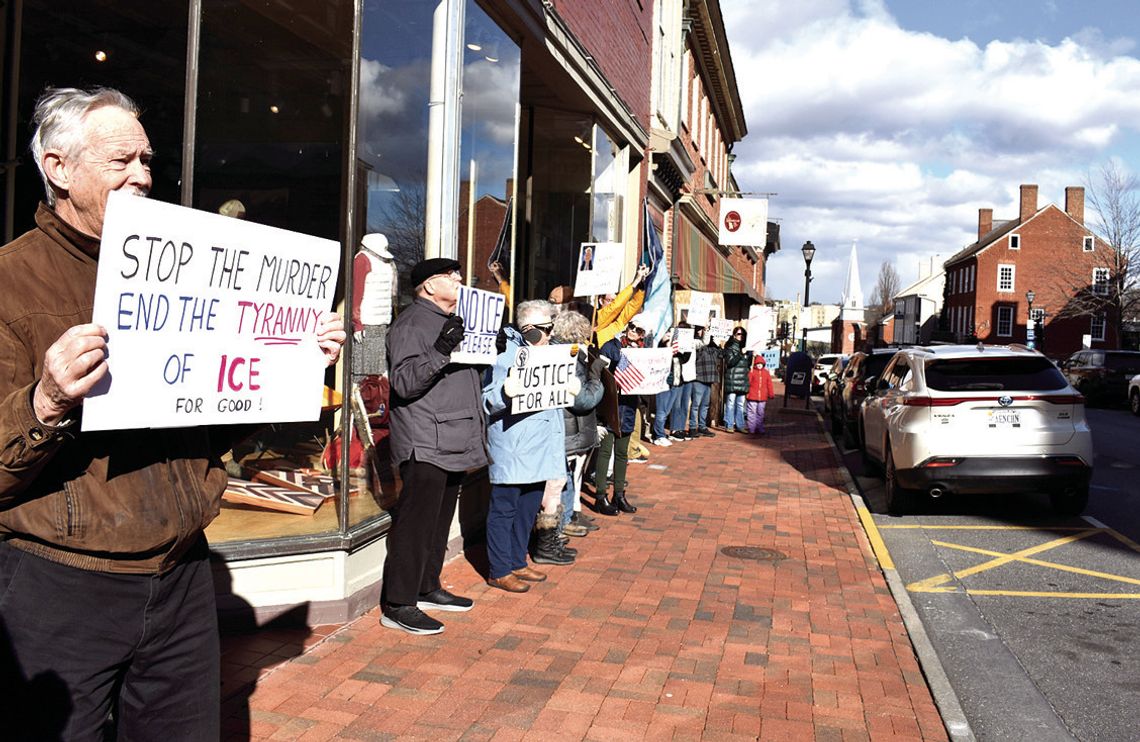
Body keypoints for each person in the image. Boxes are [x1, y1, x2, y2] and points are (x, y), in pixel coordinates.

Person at [0, 86, 345, 739]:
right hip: (62, 582)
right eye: (120, 160)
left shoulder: (188, 270)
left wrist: (294, 363)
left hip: (183, 573)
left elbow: (210, 425)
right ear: (58, 168)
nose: (142, 175)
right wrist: (45, 402)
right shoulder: (10, 283)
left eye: (146, 160)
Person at [382, 257, 486, 635]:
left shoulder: (451, 321)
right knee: (416, 524)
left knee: (438, 522)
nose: (459, 281)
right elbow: (405, 382)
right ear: (428, 286)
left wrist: (490, 350)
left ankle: (427, 586)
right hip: (425, 439)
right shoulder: (412, 323)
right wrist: (442, 348)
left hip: (452, 437)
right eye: (450, 277)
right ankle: (399, 603)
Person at [483, 300, 578, 590]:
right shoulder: (505, 355)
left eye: (551, 328)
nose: (551, 334)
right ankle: (499, 569)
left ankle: (517, 560)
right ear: (530, 329)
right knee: (505, 508)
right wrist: (505, 393)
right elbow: (486, 399)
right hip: (514, 446)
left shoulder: (551, 353)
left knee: (527, 507)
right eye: (546, 329)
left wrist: (568, 388)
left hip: (542, 446)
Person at [552, 310, 607, 538]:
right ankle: (564, 522)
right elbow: (584, 400)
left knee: (571, 476)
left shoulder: (567, 353)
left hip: (571, 428)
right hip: (569, 427)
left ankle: (571, 515)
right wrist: (595, 377)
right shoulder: (567, 358)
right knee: (565, 478)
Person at [595, 315, 645, 515]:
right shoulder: (611, 346)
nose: (633, 331)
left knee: (622, 452)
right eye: (631, 326)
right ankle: (600, 496)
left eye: (638, 330)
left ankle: (619, 494)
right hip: (611, 405)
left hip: (629, 406)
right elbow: (600, 373)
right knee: (606, 451)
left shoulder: (644, 350)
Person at [352, 232, 397, 381]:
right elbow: (356, 293)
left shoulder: (387, 263)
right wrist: (357, 323)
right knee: (365, 369)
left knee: (377, 369)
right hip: (368, 323)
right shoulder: (363, 259)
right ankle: (360, 394)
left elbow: (392, 295)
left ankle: (375, 395)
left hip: (382, 322)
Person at [689, 326, 720, 437]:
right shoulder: (696, 343)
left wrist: (717, 343)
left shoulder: (712, 346)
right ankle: (693, 427)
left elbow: (721, 355)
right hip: (699, 377)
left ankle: (702, 426)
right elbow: (697, 354)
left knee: (705, 404)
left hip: (709, 378)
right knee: (696, 404)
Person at [722, 327, 750, 433]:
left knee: (740, 404)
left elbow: (748, 365)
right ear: (734, 335)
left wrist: (751, 355)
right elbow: (730, 362)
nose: (740, 336)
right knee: (730, 403)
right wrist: (740, 353)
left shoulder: (746, 347)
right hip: (732, 379)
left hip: (742, 380)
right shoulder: (730, 347)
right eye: (738, 334)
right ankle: (729, 425)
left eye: (742, 334)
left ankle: (740, 425)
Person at [746, 355, 775, 434]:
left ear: (763, 364)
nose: (759, 365)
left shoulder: (766, 373)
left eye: (761, 364)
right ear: (755, 364)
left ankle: (759, 427)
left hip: (762, 397)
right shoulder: (752, 372)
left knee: (760, 413)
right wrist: (750, 374)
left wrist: (771, 393)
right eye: (757, 364)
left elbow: (769, 384)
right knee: (751, 412)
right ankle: (751, 428)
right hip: (752, 396)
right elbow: (748, 382)